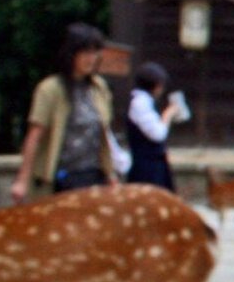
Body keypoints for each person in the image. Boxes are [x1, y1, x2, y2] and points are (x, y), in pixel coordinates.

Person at [11, 23, 119, 203]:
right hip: (61, 177)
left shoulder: (99, 88)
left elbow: (103, 135)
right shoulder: (50, 89)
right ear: (71, 54)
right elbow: (34, 136)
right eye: (85, 53)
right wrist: (22, 180)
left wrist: (110, 173)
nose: (91, 59)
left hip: (93, 175)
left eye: (94, 52)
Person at [126, 62, 183, 190]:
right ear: (157, 85)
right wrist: (168, 114)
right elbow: (157, 134)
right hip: (146, 168)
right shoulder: (139, 103)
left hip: (154, 165)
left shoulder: (145, 102)